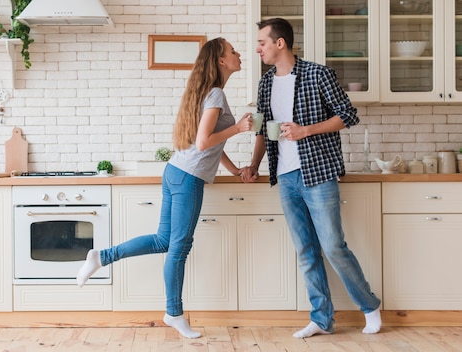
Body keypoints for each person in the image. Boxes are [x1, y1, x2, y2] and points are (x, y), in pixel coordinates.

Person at [77, 37, 253, 339]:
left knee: (163, 241)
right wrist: (238, 128)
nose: (239, 54)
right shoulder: (215, 94)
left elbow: (211, 141)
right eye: (233, 51)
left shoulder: (209, 93)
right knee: (178, 248)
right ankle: (174, 313)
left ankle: (101, 257)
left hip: (175, 171)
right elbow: (203, 142)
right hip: (187, 177)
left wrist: (235, 169)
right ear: (221, 61)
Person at [241, 18, 382, 338]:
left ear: (280, 43)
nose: (258, 48)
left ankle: (369, 306)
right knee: (305, 250)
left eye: (262, 42)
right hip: (285, 176)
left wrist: (306, 131)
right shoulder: (265, 83)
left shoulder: (318, 74)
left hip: (318, 171)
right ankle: (321, 318)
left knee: (333, 246)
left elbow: (348, 115)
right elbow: (263, 129)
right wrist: (253, 165)